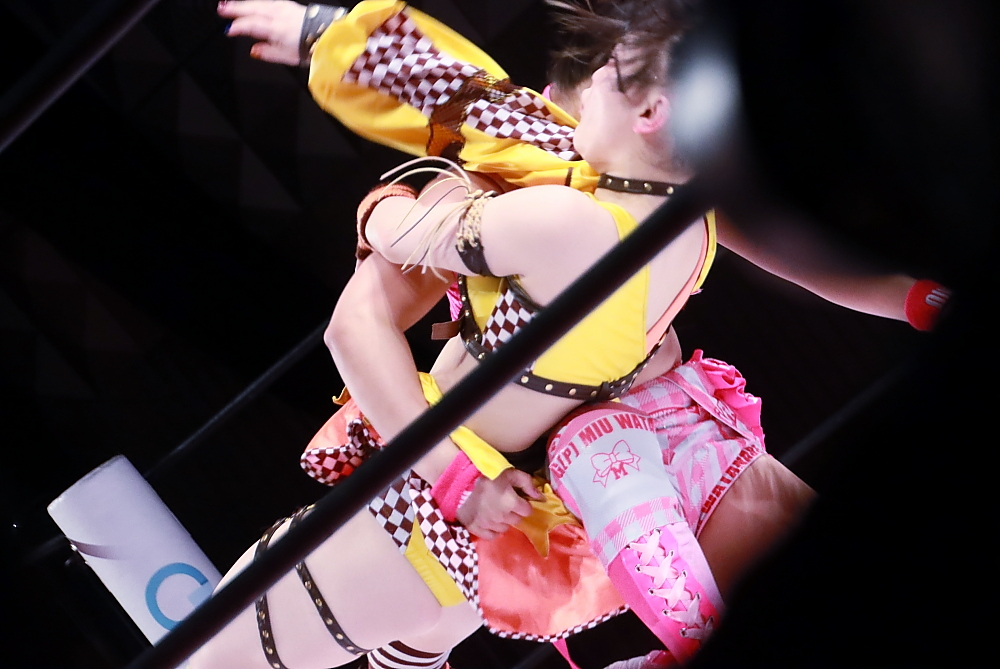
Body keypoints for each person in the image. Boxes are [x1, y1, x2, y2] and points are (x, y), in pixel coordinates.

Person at [195, 2, 952, 668]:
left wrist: (390, 201)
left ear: (651, 113)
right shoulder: (688, 223)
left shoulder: (571, 219)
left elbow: (406, 237)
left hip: (426, 510)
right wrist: (923, 299)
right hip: (489, 537)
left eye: (610, 74)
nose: (587, 86)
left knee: (204, 656)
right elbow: (489, 101)